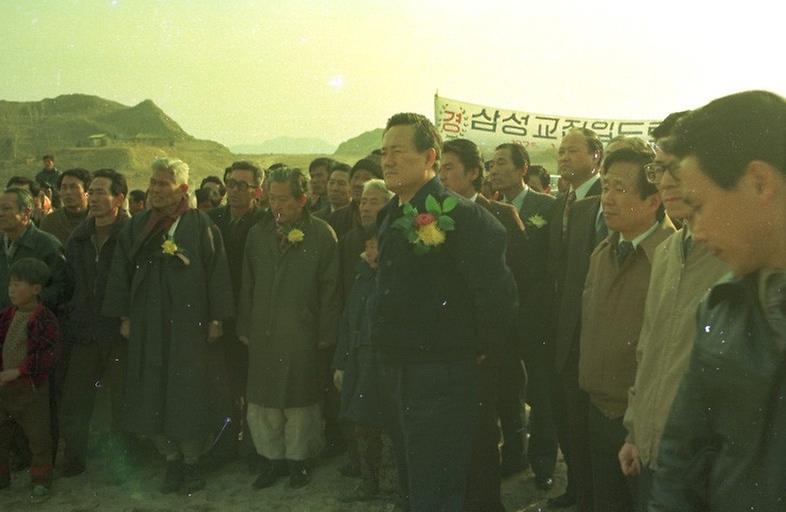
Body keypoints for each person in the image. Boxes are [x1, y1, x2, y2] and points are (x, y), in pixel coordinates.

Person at [370, 113, 517, 511]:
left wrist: (479, 350)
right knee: (411, 476)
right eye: (384, 152)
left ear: (429, 156)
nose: (388, 161)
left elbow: (498, 294)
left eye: (398, 151)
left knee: (440, 483)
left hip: (443, 373)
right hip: (397, 367)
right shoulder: (390, 214)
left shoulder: (461, 215)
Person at [648, 90, 786, 512]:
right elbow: (681, 458)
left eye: (699, 205)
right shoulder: (722, 306)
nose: (697, 230)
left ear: (759, 182)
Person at [617, 112, 728, 511]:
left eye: (675, 168)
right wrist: (635, 431)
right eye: (658, 167)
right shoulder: (666, 251)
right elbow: (650, 348)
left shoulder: (738, 256)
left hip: (708, 466)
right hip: (654, 453)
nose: (664, 182)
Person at [102, 157, 234, 494]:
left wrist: (217, 318)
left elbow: (217, 273)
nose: (156, 190)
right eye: (153, 183)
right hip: (147, 323)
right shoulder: (137, 226)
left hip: (189, 326)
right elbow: (120, 273)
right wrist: (125, 316)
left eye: (165, 184)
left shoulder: (201, 225)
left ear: (183, 190)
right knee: (151, 387)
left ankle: (192, 462)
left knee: (187, 391)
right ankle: (170, 459)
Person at [579, 147, 674, 512]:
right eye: (605, 187)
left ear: (653, 201)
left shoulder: (673, 257)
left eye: (619, 188)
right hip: (599, 412)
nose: (607, 198)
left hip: (645, 423)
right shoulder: (602, 253)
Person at [237, 166, 340, 490]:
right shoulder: (258, 233)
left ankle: (300, 461)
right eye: (271, 198)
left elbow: (331, 289)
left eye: (284, 199)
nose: (276, 206)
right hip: (264, 331)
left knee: (301, 402)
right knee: (264, 402)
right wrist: (245, 325)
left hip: (302, 332)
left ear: (303, 198)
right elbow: (247, 284)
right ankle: (272, 459)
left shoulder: (322, 234)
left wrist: (325, 334)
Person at [440, 137, 526, 511]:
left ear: (473, 174)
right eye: (437, 168)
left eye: (449, 169)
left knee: (482, 436)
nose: (440, 177)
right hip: (445, 350)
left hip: (486, 351)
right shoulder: (428, 217)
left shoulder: (500, 216)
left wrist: (489, 346)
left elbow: (516, 285)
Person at [489, 141, 557, 487]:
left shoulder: (547, 205)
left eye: (502, 163)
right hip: (503, 319)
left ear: (523, 169)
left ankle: (543, 465)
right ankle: (514, 455)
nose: (495, 170)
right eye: (491, 164)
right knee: (507, 389)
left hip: (537, 317)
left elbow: (552, 266)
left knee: (541, 393)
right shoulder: (490, 210)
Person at [546, 128, 604, 511]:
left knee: (589, 425)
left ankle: (592, 497)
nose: (564, 158)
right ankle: (577, 491)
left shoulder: (605, 203)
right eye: (561, 151)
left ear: (595, 156)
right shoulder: (561, 201)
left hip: (591, 331)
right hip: (560, 329)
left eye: (573, 151)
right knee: (565, 418)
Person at [59, 169, 130, 478]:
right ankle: (74, 458)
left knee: (120, 399)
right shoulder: (79, 237)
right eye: (94, 192)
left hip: (118, 331)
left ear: (120, 198)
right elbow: (69, 282)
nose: (95, 198)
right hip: (85, 331)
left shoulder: (130, 235)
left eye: (103, 192)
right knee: (76, 398)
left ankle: (126, 463)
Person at [206, 160, 267, 465]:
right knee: (222, 385)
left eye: (242, 185)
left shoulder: (266, 222)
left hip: (253, 317)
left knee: (252, 386)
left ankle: (254, 448)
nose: (234, 190)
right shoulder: (211, 220)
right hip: (220, 316)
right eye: (230, 183)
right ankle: (224, 444)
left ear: (258, 190)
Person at [332, 229, 397, 503]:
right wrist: (341, 363)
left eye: (377, 247)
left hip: (384, 362)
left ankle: (391, 485)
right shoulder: (362, 278)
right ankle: (368, 482)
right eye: (369, 247)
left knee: (387, 426)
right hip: (359, 360)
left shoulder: (393, 278)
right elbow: (349, 321)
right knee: (362, 423)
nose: (373, 253)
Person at [0, 258, 59, 498]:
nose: (12, 290)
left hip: (31, 389)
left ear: (36, 289)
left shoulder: (44, 319)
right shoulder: (5, 316)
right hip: (4, 388)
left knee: (38, 437)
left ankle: (41, 479)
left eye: (18, 284)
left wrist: (20, 371)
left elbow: (46, 355)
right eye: (10, 284)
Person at [327, 158, 383, 239]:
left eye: (366, 179)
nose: (358, 183)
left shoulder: (387, 216)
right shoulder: (336, 218)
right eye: (356, 177)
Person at [40, 168, 91, 245]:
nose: (68, 192)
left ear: (87, 191)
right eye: (64, 188)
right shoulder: (50, 222)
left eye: (73, 187)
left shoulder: (99, 218)